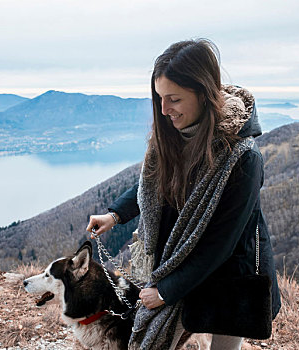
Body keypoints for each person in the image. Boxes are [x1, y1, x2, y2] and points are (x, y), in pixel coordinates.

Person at [86, 39, 281, 350]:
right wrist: (115, 214)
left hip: (230, 275)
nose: (164, 110)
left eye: (174, 99)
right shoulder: (175, 137)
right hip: (179, 261)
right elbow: (152, 184)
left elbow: (222, 242)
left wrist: (166, 290)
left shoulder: (244, 157)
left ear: (204, 94)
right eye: (161, 98)